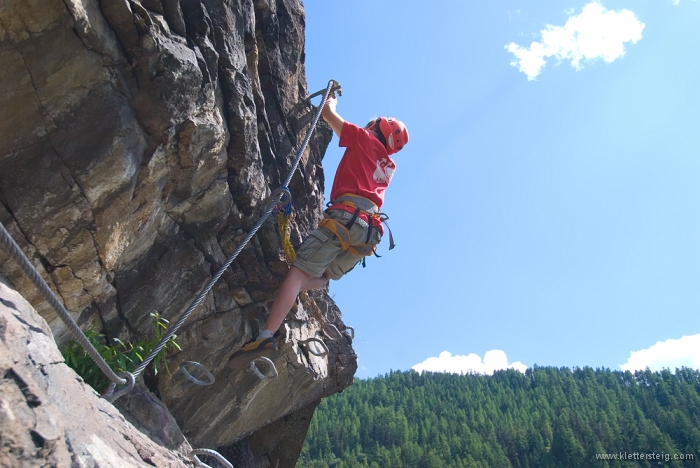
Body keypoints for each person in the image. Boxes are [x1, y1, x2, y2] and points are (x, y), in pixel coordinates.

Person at [229, 93, 408, 361]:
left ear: (375, 128)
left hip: (346, 218)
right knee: (324, 276)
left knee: (296, 275)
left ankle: (266, 337)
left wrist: (332, 100)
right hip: (370, 233)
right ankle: (292, 293)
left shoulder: (365, 138)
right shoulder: (388, 166)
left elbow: (327, 114)